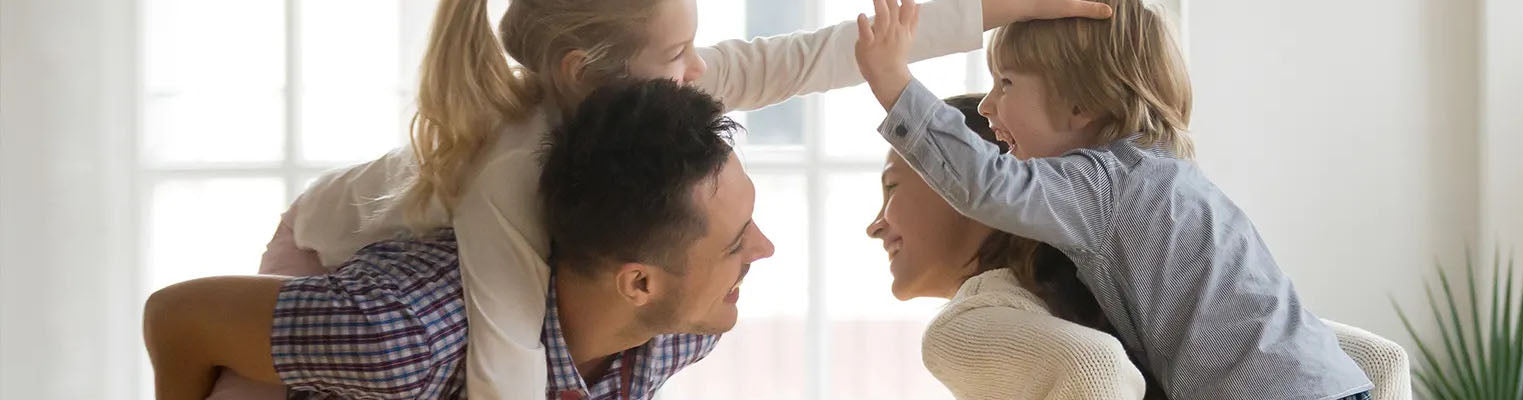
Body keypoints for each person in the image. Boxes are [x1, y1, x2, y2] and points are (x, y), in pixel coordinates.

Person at [254, 0, 1116, 398]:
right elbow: (507, 356)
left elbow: (814, 55)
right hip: (320, 250)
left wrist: (1009, 7)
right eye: (678, 54)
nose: (700, 71)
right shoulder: (509, 172)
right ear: (582, 75)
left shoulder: (649, 97)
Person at [851, 0, 1375, 398]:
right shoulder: (1165, 169)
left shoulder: (1102, 185)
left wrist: (893, 83)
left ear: (1081, 104)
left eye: (1006, 83)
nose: (988, 106)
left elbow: (987, 186)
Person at [147, 80, 768, 400]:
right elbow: (176, 317)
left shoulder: (677, 330)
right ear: (638, 282)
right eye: (737, 243)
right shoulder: (399, 336)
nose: (764, 250)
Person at [866, 94, 1160, 400]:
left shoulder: (961, 327)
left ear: (964, 186)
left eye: (892, 187)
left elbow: (1094, 366)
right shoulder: (1071, 300)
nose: (874, 226)